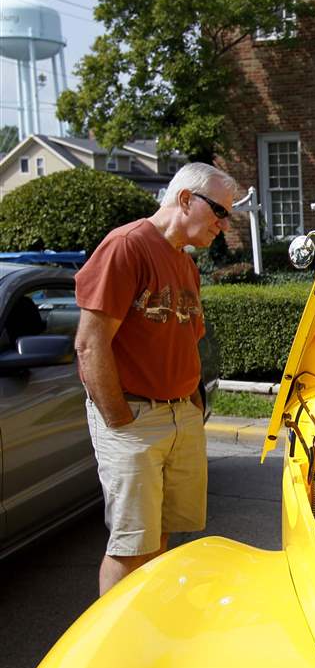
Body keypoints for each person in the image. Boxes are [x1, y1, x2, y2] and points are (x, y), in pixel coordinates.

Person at [74, 162, 239, 596]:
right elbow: (90, 344)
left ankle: (150, 632)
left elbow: (190, 341)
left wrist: (194, 406)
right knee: (130, 547)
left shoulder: (185, 265)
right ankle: (115, 653)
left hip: (181, 414)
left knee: (162, 536)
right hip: (135, 417)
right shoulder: (126, 246)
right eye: (220, 212)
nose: (223, 225)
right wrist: (120, 420)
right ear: (185, 199)